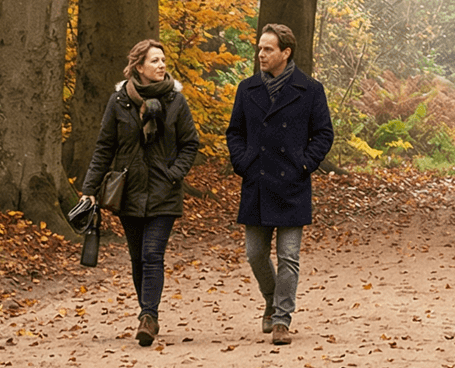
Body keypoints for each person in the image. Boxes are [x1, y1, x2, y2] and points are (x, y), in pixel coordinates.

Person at [80, 38, 202, 347]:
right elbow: (104, 147)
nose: (162, 65)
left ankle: (149, 317)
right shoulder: (120, 101)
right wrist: (89, 190)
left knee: (152, 254)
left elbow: (190, 143)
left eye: (163, 60)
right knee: (138, 258)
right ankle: (147, 311)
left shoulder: (176, 101)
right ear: (139, 67)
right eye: (155, 61)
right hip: (129, 191)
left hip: (165, 192)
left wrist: (174, 174)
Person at [226, 23, 334, 346]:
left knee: (288, 257)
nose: (261, 54)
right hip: (257, 181)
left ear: (285, 53)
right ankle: (272, 300)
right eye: (260, 48)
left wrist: (304, 163)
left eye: (268, 49)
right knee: (254, 253)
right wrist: (243, 162)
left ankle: (282, 319)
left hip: (292, 184)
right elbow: (235, 132)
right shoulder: (247, 89)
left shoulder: (310, 89)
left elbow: (324, 133)